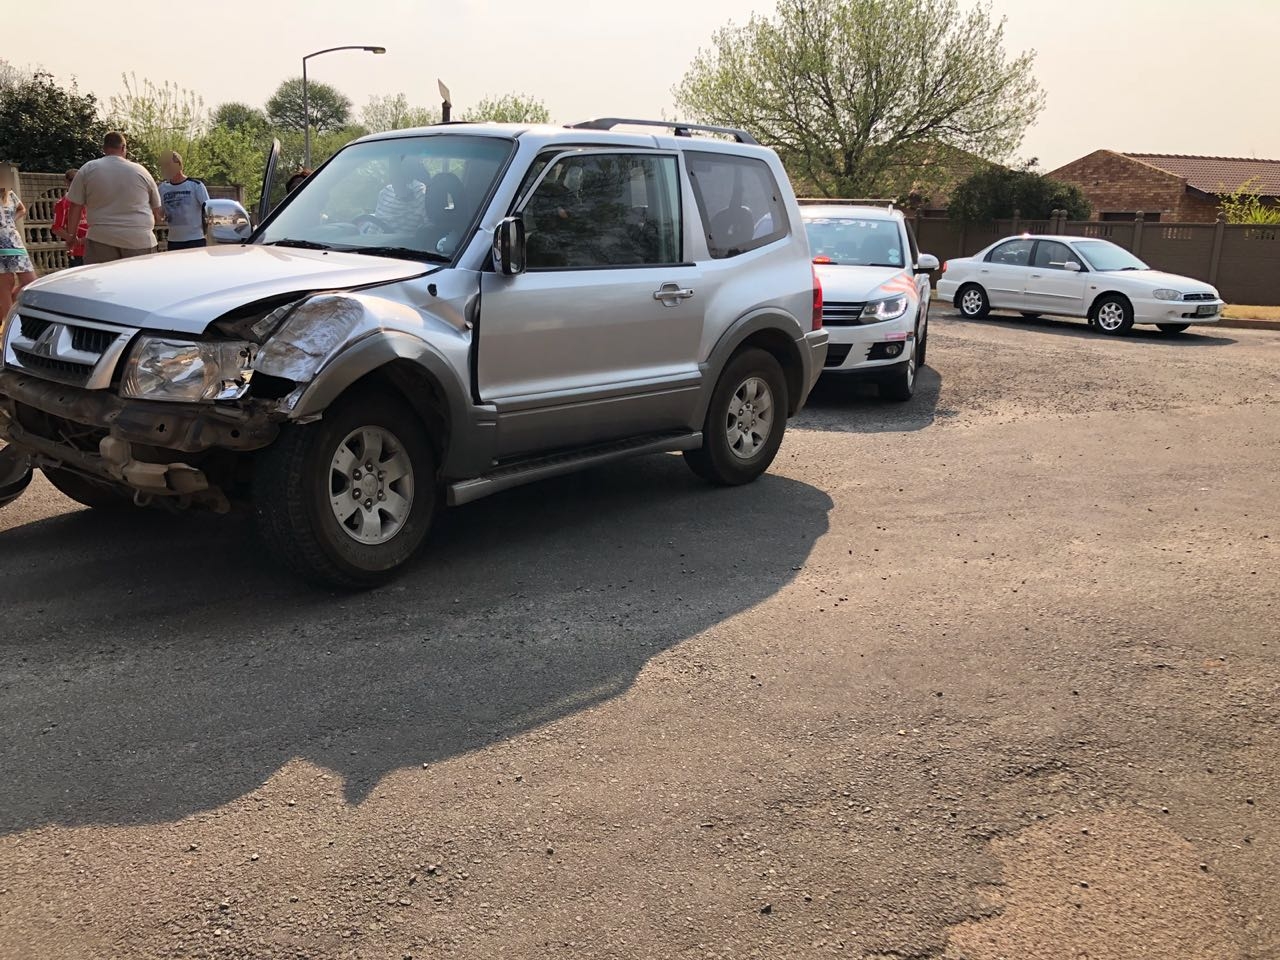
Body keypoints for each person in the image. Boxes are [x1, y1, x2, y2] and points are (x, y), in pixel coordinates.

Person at [61, 131, 163, 264]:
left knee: (102, 282)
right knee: (139, 283)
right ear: (123, 148)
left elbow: (75, 206)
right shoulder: (141, 171)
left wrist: (71, 236)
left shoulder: (88, 169)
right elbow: (157, 211)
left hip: (101, 237)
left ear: (104, 148)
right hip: (139, 239)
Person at [0, 167, 36, 317]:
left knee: (30, 281)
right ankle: (7, 323)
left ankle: (6, 311)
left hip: (14, 241)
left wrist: (12, 220)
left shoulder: (10, 194)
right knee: (5, 284)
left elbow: (22, 209)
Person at [159, 151, 210, 251]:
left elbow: (208, 211)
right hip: (173, 241)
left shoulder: (196, 186)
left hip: (195, 239)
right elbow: (159, 213)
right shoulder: (162, 188)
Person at [373, 156, 426, 232]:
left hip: (403, 243)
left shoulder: (421, 193)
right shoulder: (385, 192)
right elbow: (374, 225)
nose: (395, 180)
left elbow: (429, 228)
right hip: (376, 242)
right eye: (393, 176)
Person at [51, 168, 89, 266]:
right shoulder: (63, 203)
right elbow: (56, 228)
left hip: (97, 248)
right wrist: (75, 240)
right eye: (73, 180)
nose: (76, 183)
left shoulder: (91, 199)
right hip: (78, 252)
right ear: (66, 182)